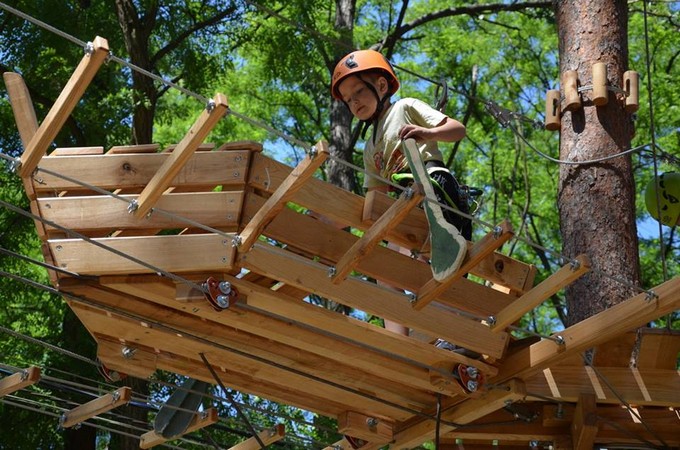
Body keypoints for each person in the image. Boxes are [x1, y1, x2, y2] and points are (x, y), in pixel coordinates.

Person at [331, 49, 475, 355]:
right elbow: (375, 198)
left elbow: (457, 129)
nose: (354, 101)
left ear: (381, 86)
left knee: (432, 258)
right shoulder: (370, 147)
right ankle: (400, 345)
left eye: (359, 91)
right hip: (405, 203)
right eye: (348, 98)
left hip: (434, 188)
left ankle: (459, 331)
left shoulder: (405, 108)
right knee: (384, 269)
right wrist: (336, 217)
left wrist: (427, 132)